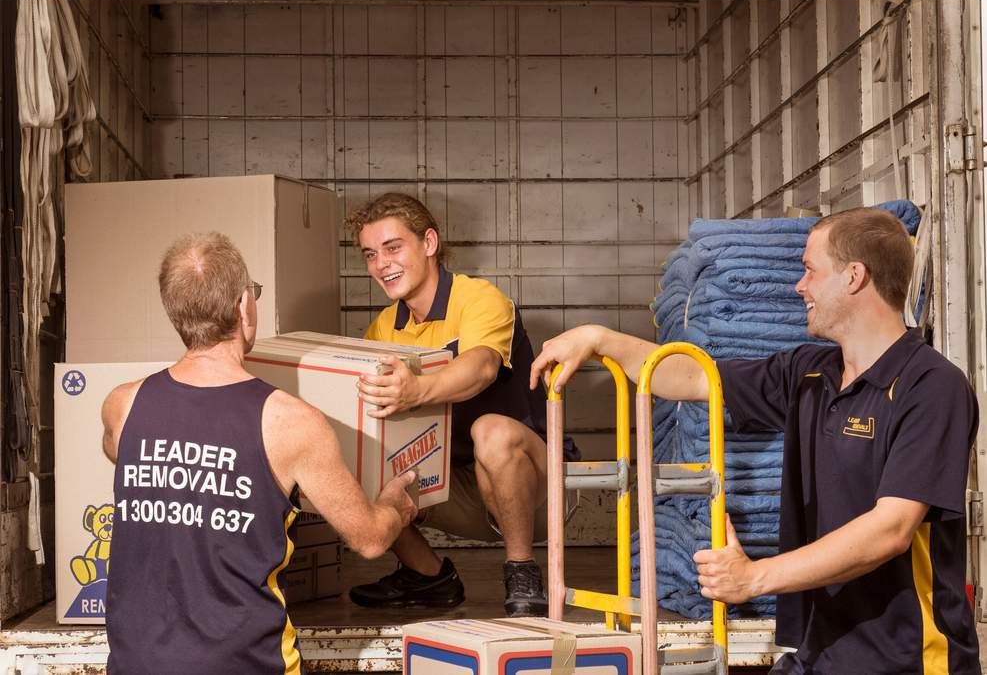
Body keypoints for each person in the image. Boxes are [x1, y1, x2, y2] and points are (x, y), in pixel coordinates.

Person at [530, 207, 980, 673]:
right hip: (820, 653)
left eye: (809, 270)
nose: (798, 286)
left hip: (908, 661)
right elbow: (694, 376)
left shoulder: (931, 386)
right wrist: (599, 338)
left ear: (854, 276)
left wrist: (753, 578)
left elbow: (890, 529)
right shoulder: (810, 372)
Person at [101, 232, 417, 675]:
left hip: (136, 665)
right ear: (244, 308)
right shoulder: (290, 422)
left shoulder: (124, 404)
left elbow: (119, 452)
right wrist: (394, 505)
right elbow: (368, 539)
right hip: (247, 664)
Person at [342, 192, 578, 617]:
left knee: (491, 429)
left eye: (393, 248)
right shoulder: (382, 327)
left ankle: (522, 569)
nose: (382, 264)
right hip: (454, 485)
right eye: (371, 254)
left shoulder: (479, 298)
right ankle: (429, 577)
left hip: (536, 487)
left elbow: (483, 367)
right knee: (350, 460)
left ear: (429, 243)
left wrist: (414, 390)